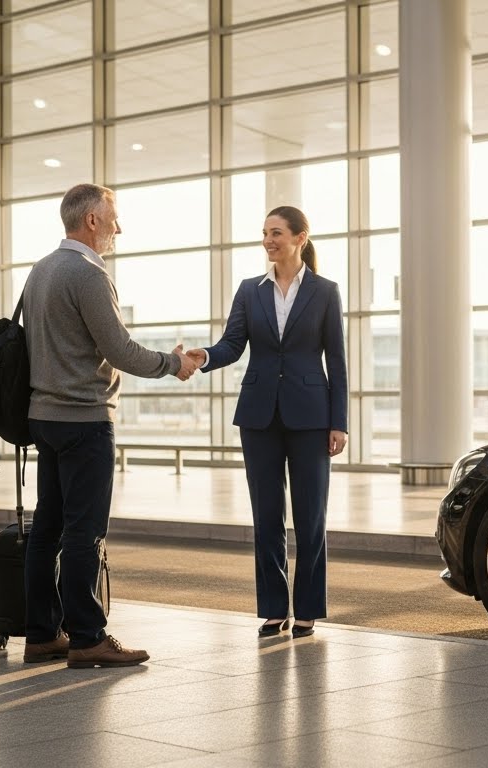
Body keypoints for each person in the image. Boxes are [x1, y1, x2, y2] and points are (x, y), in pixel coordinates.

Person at [21, 183, 199, 668]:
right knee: (84, 532)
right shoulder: (87, 273)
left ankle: (40, 633)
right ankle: (87, 637)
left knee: (47, 528)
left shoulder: (39, 271)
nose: (119, 228)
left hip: (45, 417)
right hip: (83, 418)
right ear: (92, 221)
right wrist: (172, 363)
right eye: (113, 218)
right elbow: (118, 349)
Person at [185, 205, 347, 639]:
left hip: (312, 416)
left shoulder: (326, 291)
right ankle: (275, 609)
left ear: (300, 237)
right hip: (259, 415)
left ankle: (308, 608)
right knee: (266, 515)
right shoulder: (249, 290)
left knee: (311, 516)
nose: (268, 241)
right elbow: (232, 344)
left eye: (276, 233)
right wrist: (204, 357)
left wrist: (340, 422)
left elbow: (338, 360)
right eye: (264, 233)